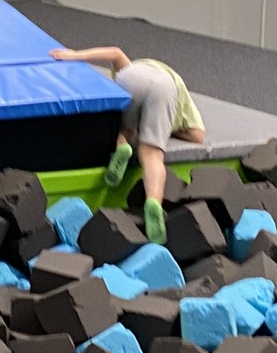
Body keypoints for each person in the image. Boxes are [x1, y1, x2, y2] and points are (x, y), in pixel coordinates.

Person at [49, 46, 205, 245]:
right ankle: (153, 202)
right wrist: (166, 129)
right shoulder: (177, 84)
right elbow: (197, 135)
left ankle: (122, 146)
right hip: (164, 88)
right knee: (152, 154)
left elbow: (115, 52)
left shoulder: (130, 67)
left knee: (122, 129)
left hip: (130, 79)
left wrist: (74, 55)